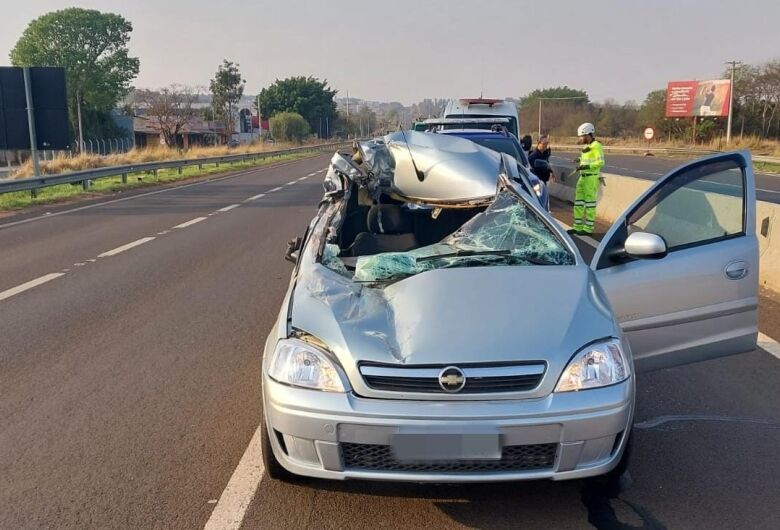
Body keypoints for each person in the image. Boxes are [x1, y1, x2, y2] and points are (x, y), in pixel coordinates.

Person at [571, 123, 605, 235]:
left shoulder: (596, 146)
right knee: (578, 203)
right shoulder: (586, 147)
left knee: (590, 204)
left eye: (581, 136)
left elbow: (600, 162)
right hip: (582, 177)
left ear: (587, 134)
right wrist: (579, 160)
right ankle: (577, 227)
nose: (580, 139)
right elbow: (587, 159)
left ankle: (588, 228)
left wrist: (587, 166)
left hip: (591, 178)